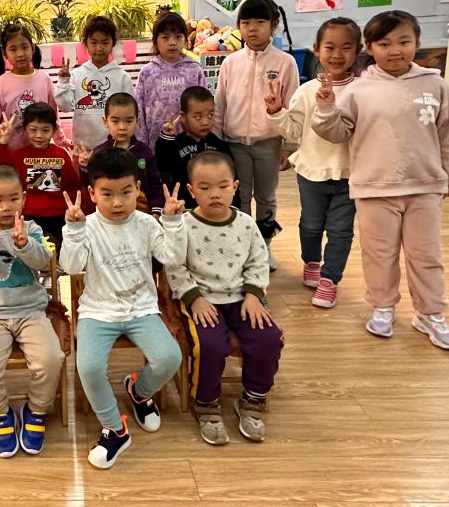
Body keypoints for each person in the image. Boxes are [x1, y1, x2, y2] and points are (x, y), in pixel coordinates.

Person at [313, 10, 449, 350]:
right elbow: (336, 133)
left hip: (424, 185)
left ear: (417, 43)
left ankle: (431, 314)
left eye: (404, 42)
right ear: (370, 48)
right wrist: (326, 108)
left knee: (426, 254)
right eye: (384, 44)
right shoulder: (359, 90)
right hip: (374, 187)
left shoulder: (435, 85)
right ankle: (383, 307)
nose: (395, 50)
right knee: (378, 254)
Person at [60, 148, 184, 470]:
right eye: (107, 194)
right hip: (97, 311)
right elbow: (69, 266)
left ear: (138, 189)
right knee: (88, 368)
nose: (117, 202)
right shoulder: (85, 225)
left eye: (126, 192)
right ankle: (114, 428)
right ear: (92, 193)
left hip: (141, 308)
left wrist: (173, 222)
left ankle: (139, 392)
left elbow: (172, 258)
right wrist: (73, 231)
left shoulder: (146, 223)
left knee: (170, 357)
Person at [163, 151, 283, 446]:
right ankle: (206, 403)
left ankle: (254, 398)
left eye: (222, 186)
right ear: (191, 190)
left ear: (235, 187)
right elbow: (174, 266)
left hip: (242, 298)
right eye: (204, 188)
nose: (214, 194)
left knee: (269, 338)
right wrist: (193, 298)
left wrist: (253, 295)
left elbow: (258, 261)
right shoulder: (184, 225)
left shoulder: (246, 223)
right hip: (202, 299)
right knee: (210, 344)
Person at [0, 165, 64, 458]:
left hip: (32, 311)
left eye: (13, 199)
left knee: (51, 359)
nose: (6, 207)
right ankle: (0, 412)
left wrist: (25, 244)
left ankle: (35, 409)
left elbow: (43, 262)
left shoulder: (33, 229)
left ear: (24, 199)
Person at [265, 17, 361, 308]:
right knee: (310, 225)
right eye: (330, 47)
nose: (337, 55)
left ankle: (330, 280)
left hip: (350, 175)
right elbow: (294, 130)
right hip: (311, 172)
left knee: (341, 231)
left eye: (346, 47)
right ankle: (311, 263)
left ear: (358, 50)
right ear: (317, 50)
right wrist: (277, 112)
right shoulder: (307, 91)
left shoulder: (362, 91)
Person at [213, 0, 300, 269]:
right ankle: (242, 247)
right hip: (234, 143)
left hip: (268, 143)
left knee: (266, 197)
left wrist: (290, 145)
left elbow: (293, 105)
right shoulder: (230, 63)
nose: (252, 28)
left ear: (273, 25)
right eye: (246, 22)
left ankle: (264, 246)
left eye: (260, 22)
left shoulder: (285, 63)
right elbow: (220, 103)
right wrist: (215, 140)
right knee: (239, 197)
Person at [0, 102, 82, 244]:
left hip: (58, 216)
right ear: (25, 129)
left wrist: (73, 211)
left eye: (45, 130)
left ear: (54, 130)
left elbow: (73, 186)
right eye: (33, 130)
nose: (39, 135)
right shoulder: (18, 155)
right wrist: (4, 140)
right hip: (27, 217)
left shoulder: (61, 155)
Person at [0, 22, 69, 151]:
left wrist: (60, 139)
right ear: (5, 54)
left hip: (41, 149)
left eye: (24, 47)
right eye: (13, 49)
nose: (20, 54)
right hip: (13, 150)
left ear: (32, 48)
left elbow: (53, 114)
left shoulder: (44, 78)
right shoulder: (2, 82)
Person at [77, 92, 164, 216]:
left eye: (129, 121)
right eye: (115, 121)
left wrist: (156, 209)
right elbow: (90, 184)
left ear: (137, 121)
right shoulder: (99, 152)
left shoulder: (144, 151)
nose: (122, 127)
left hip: (142, 213)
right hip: (110, 213)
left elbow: (155, 183)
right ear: (105, 122)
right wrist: (85, 166)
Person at [55, 16, 133, 150]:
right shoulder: (76, 75)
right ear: (85, 43)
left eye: (105, 42)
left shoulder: (122, 77)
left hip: (115, 150)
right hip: (83, 150)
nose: (99, 48)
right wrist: (63, 82)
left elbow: (131, 113)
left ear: (113, 43)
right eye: (94, 42)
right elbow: (65, 106)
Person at [156, 86, 237, 210]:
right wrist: (166, 138)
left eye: (210, 115)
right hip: (185, 208)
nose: (205, 122)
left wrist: (234, 207)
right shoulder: (176, 144)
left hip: (215, 207)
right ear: (183, 117)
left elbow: (232, 178)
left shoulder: (219, 145)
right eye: (198, 116)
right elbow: (163, 164)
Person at [135, 10, 206, 150]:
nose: (172, 43)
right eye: (165, 37)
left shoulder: (195, 70)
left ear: (186, 39)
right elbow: (139, 111)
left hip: (190, 143)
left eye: (178, 37)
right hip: (155, 145)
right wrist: (142, 146)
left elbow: (204, 106)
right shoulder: (147, 73)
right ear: (155, 41)